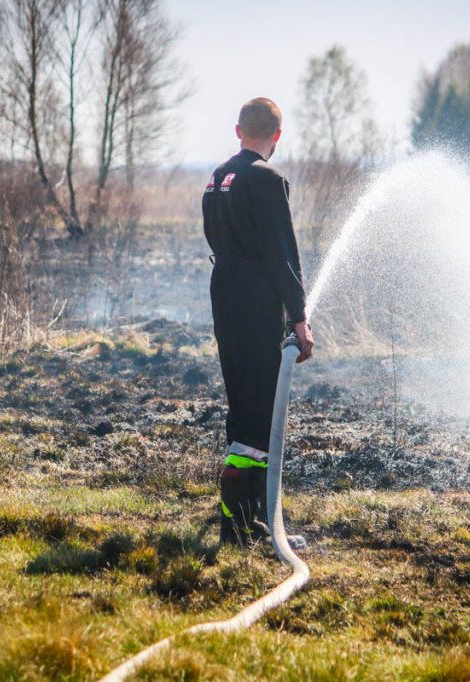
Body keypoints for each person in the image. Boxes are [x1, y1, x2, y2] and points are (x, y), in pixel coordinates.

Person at [202, 97, 314, 546]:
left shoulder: (217, 178)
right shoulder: (268, 179)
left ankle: (242, 520)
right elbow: (281, 253)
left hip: (224, 293)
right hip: (254, 301)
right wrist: (300, 318)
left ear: (238, 131)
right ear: (278, 136)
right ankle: (245, 524)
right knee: (261, 410)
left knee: (243, 403)